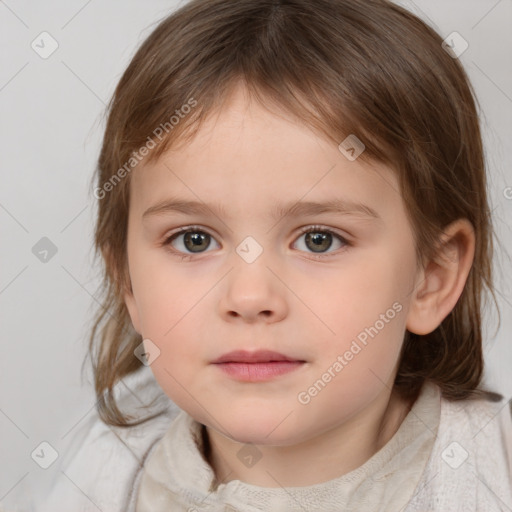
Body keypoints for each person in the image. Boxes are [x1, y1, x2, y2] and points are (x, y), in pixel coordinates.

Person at [24, 0, 512, 510]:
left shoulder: (490, 477)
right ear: (128, 281)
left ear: (431, 277)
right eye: (194, 240)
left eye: (319, 239)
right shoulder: (102, 470)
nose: (250, 297)